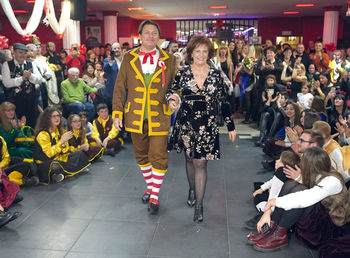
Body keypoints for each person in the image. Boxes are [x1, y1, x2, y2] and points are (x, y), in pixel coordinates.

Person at [166, 35, 236, 222]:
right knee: (190, 159)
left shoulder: (216, 74)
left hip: (208, 123)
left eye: (205, 51)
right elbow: (170, 91)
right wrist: (172, 99)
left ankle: (199, 204)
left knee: (201, 163)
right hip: (186, 122)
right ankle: (192, 188)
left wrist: (230, 126)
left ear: (209, 54)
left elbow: (223, 100)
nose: (201, 54)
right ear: (190, 53)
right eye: (197, 51)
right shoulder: (182, 72)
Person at [112, 20, 177, 215]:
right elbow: (120, 87)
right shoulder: (129, 57)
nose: (151, 36)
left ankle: (154, 195)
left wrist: (175, 98)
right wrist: (117, 112)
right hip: (135, 115)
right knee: (141, 155)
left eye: (154, 33)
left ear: (159, 36)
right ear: (140, 36)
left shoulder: (169, 59)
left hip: (160, 114)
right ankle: (150, 186)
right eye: (147, 32)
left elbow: (175, 85)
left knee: (158, 155)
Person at [250, 147, 350, 252]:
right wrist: (269, 209)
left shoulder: (333, 181)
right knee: (291, 184)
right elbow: (311, 184)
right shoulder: (322, 171)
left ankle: (279, 235)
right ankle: (273, 227)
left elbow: (307, 197)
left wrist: (272, 202)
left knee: (299, 193)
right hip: (321, 211)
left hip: (331, 223)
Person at [33, 107, 91, 184]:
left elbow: (65, 150)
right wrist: (61, 142)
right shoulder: (43, 134)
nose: (57, 118)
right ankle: (58, 174)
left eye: (58, 116)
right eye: (54, 116)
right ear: (47, 119)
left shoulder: (61, 131)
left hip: (59, 159)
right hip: (45, 162)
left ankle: (58, 175)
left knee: (79, 154)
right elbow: (49, 154)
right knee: (55, 165)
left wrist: (75, 148)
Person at [1, 43, 42, 128]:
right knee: (15, 126)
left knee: (31, 125)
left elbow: (39, 79)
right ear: (14, 53)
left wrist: (30, 76)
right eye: (20, 52)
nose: (23, 55)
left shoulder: (31, 64)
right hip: (14, 102)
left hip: (31, 101)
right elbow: (7, 83)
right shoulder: (7, 65)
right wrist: (22, 78)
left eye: (24, 53)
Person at [103, 42, 122, 109]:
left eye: (118, 48)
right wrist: (110, 63)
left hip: (124, 91)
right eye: (115, 48)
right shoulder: (107, 60)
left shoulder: (125, 60)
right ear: (111, 50)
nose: (117, 50)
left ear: (121, 50)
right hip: (112, 91)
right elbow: (106, 70)